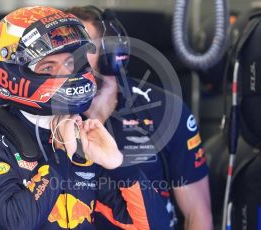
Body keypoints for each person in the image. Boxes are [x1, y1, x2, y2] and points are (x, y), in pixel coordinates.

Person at [0, 6, 170, 229]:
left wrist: (119, 164)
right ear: (11, 73)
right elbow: (16, 222)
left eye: (69, 63)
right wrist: (60, 156)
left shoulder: (81, 138)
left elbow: (154, 225)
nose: (65, 74)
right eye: (48, 66)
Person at [67, 6, 213, 229]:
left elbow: (197, 213)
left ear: (111, 54)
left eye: (82, 48)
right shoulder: (45, 116)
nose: (72, 62)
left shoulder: (164, 109)